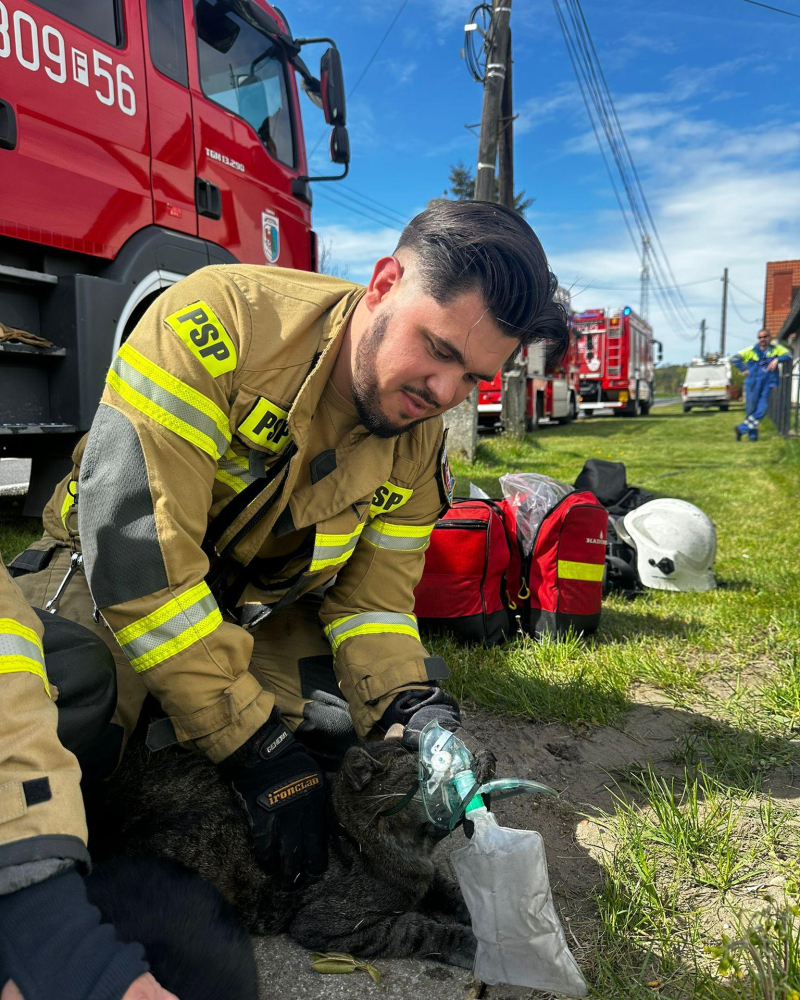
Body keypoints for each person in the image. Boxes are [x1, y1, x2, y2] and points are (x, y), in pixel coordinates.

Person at [11, 200, 568, 890]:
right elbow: (136, 559)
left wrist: (408, 706)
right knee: (62, 712)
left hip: (250, 610)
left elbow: (375, 605)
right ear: (385, 283)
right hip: (114, 577)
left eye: (474, 379)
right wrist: (251, 745)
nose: (443, 393)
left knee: (360, 737)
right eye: (439, 350)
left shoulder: (418, 439)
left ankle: (175, 722)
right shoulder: (219, 323)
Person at [0, 562, 177, 1000]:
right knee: (88, 679)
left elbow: (367, 608)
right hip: (103, 566)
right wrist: (42, 918)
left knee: (81, 680)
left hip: (245, 595)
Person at [731, 329, 792, 441]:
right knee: (751, 410)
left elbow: (789, 355)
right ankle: (752, 437)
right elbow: (735, 358)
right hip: (752, 383)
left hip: (767, 384)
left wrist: (777, 359)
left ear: (770, 337)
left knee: (762, 410)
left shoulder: (776, 349)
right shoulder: (751, 350)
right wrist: (744, 369)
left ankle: (741, 429)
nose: (762, 339)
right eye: (760, 337)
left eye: (765, 337)